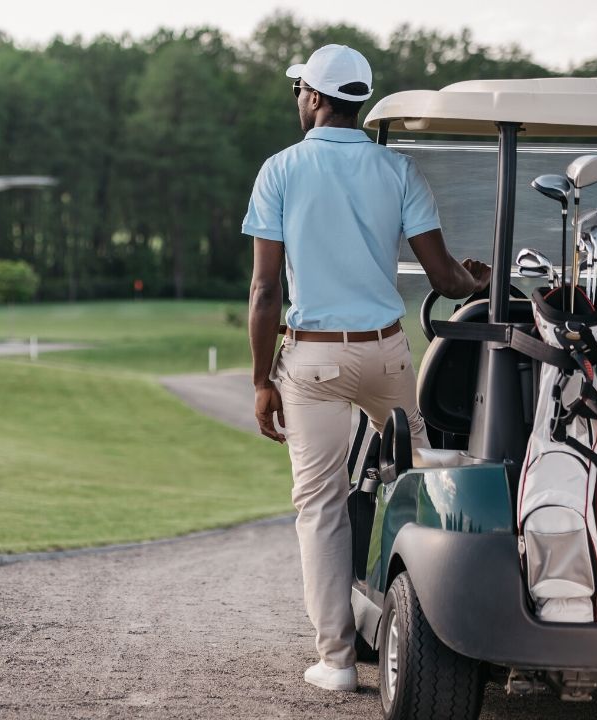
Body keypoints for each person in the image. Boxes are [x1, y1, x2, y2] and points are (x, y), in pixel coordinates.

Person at [242, 44, 491, 693]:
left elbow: (265, 292)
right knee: (429, 479)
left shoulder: (280, 170)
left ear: (317, 98)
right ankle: (442, 632)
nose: (299, 98)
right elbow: (443, 276)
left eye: (301, 89)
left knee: (319, 506)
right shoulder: (397, 169)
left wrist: (261, 380)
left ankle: (336, 661)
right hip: (385, 352)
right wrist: (475, 278)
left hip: (313, 360)